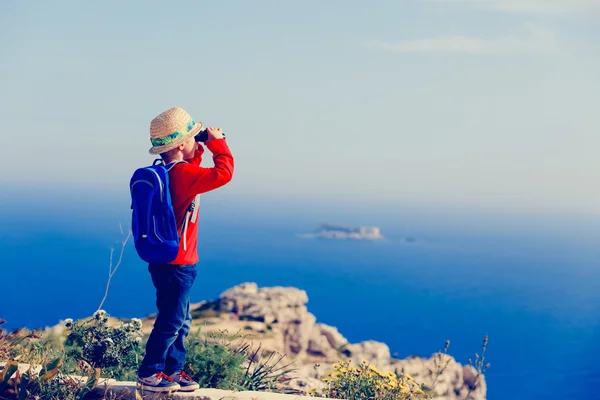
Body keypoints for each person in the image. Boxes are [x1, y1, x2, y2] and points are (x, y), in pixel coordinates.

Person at [136, 107, 234, 392]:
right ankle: (150, 373)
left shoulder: (168, 172)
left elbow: (193, 172)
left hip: (163, 260)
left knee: (180, 319)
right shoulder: (185, 175)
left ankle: (173, 370)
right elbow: (224, 173)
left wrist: (198, 146)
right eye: (192, 136)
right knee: (172, 320)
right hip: (179, 263)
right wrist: (217, 143)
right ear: (180, 144)